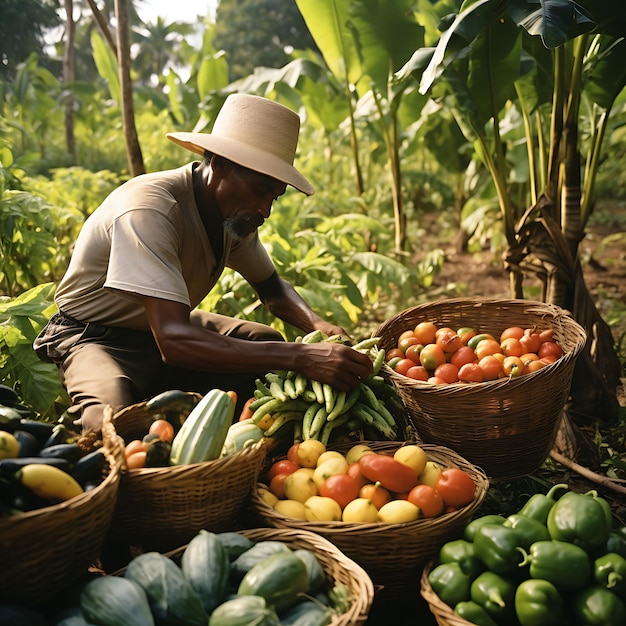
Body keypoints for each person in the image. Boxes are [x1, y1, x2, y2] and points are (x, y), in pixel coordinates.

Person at [33, 93, 373, 433]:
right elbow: (174, 340)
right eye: (260, 190)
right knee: (113, 423)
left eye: (274, 197)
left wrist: (319, 327)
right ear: (221, 164)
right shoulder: (151, 210)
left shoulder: (232, 218)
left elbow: (273, 289)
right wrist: (300, 356)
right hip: (96, 334)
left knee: (265, 340)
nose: (265, 209)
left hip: (162, 326)